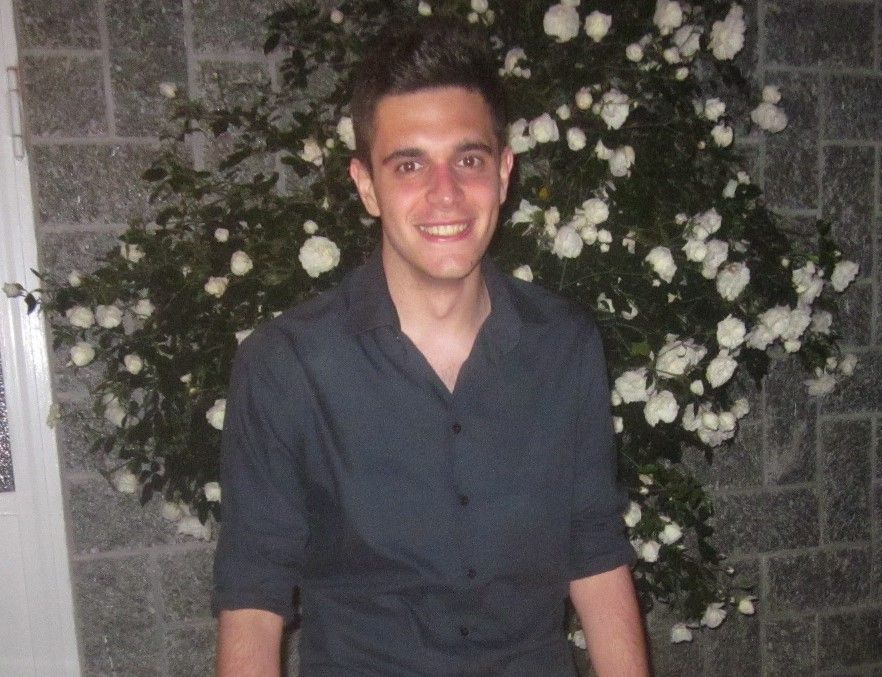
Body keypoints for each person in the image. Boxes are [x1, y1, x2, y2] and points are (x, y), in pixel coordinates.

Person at [213, 14, 649, 677]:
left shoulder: (565, 346)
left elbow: (595, 552)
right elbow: (252, 595)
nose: (445, 193)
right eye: (410, 164)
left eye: (468, 160)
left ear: (503, 174)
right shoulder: (286, 365)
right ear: (367, 185)